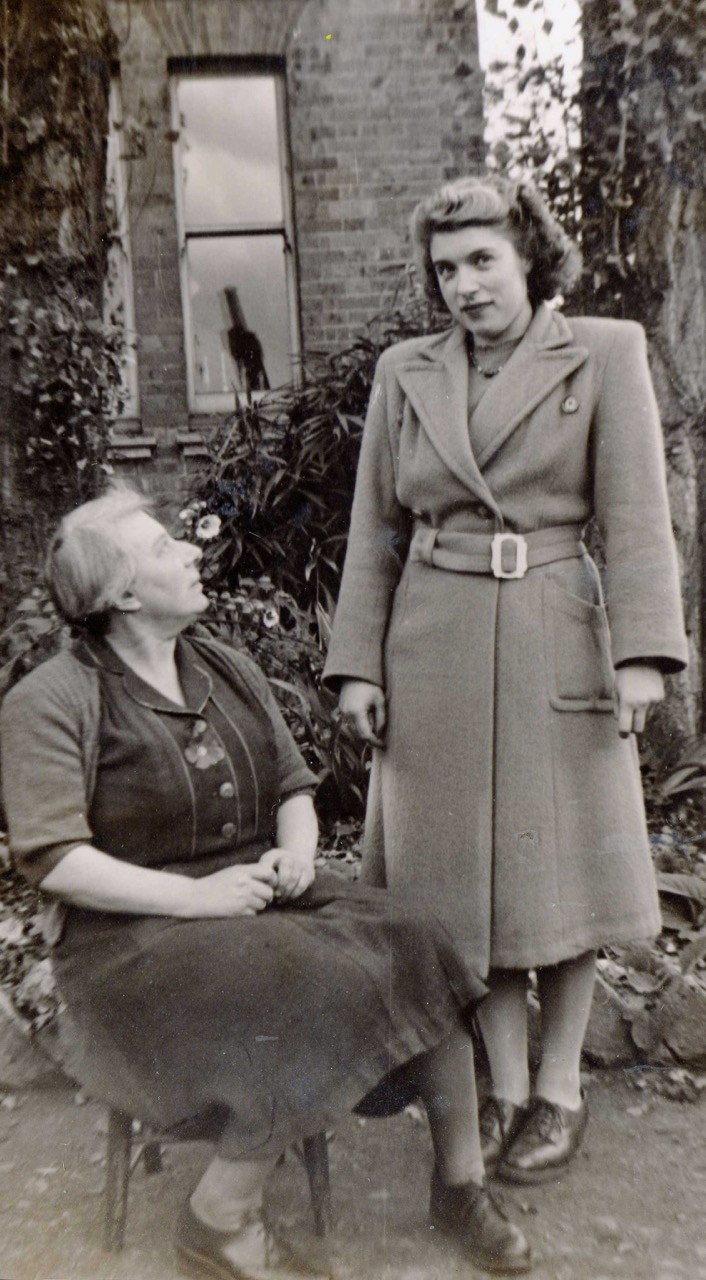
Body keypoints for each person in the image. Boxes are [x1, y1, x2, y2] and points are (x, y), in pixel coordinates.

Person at [0, 486, 531, 1279]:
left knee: (422, 938)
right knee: (302, 976)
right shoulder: (54, 699)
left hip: (258, 893)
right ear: (123, 594)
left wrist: (298, 852)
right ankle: (219, 1216)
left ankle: (460, 1185)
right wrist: (197, 897)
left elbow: (292, 787)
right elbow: (55, 859)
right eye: (162, 546)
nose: (188, 551)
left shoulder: (226, 665)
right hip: (129, 942)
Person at [323, 173, 688, 1186]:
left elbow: (636, 513)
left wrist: (642, 656)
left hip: (554, 631)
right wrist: (356, 663)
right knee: (454, 891)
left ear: (528, 253)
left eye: (483, 259)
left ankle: (561, 1088)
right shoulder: (407, 371)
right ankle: (501, 1087)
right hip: (430, 641)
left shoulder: (605, 352)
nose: (464, 285)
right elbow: (373, 530)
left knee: (559, 873)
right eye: (445, 268)